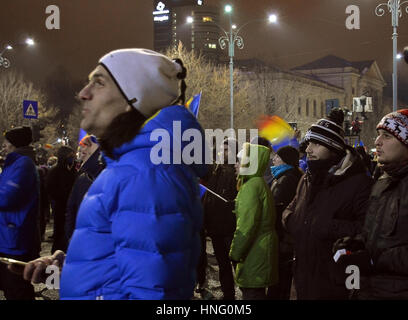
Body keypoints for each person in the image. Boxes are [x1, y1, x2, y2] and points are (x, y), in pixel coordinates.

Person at [16, 48, 208, 300]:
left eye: (99, 83)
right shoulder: (133, 167)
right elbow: (123, 269)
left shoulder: (146, 176)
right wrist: (71, 265)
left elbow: (153, 294)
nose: (83, 93)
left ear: (132, 101)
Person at [282, 108, 373, 300]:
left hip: (334, 281)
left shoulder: (358, 183)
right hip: (302, 275)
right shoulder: (308, 177)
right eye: (308, 144)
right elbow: (292, 208)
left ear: (333, 148)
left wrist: (324, 226)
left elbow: (368, 229)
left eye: (316, 144)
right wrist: (292, 221)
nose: (308, 150)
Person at [333, 109, 408, 299]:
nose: (377, 142)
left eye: (387, 136)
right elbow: (375, 233)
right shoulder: (382, 181)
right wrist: (357, 243)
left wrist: (374, 260)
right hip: (368, 289)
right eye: (378, 135)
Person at [230, 142, 279, 300]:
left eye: (239, 161)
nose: (235, 165)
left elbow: (246, 226)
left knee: (252, 294)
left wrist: (234, 253)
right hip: (262, 249)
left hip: (254, 252)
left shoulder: (250, 186)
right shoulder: (259, 183)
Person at [0, 126, 41, 300]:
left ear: (14, 144)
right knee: (10, 287)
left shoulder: (23, 163)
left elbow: (7, 197)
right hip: (7, 237)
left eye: (6, 142)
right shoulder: (14, 163)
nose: (3, 146)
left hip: (16, 238)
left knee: (17, 290)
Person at [198, 138, 238, 300]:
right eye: (222, 149)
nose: (223, 153)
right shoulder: (216, 170)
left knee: (236, 263)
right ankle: (228, 294)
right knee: (223, 264)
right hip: (215, 227)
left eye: (227, 150)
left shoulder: (237, 172)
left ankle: (246, 293)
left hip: (229, 227)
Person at [267, 145, 303, 300]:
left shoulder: (286, 180)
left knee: (281, 279)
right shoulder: (284, 176)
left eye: (277, 156)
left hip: (283, 238)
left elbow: (279, 209)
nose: (274, 159)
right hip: (284, 237)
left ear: (285, 160)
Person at [65, 135, 104, 244]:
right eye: (81, 145)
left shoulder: (112, 178)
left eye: (88, 145)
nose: (82, 149)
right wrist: (72, 238)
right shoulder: (82, 178)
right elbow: (71, 210)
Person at [46, 146, 77, 253]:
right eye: (70, 156)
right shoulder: (55, 171)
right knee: (60, 231)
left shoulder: (71, 170)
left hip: (68, 206)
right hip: (60, 206)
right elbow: (51, 188)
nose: (72, 158)